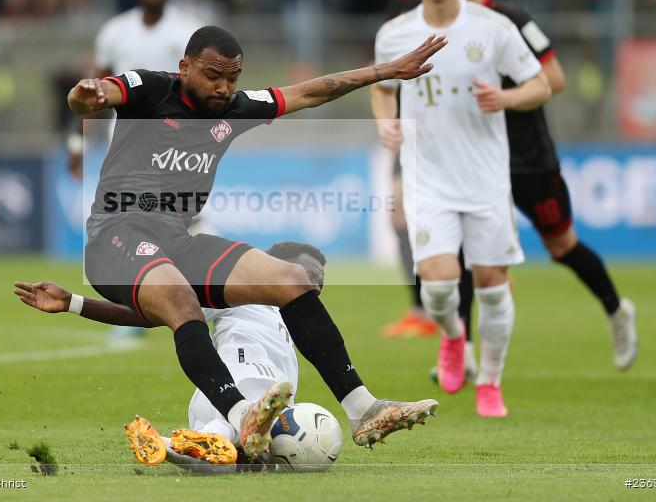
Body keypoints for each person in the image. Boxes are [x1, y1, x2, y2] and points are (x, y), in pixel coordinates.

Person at [64, 24, 446, 458]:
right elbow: (97, 94)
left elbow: (309, 93)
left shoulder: (235, 107)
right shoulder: (151, 88)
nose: (224, 87)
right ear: (184, 66)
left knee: (292, 278)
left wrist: (386, 71)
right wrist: (85, 95)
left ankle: (363, 409)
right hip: (117, 235)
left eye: (232, 78)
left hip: (175, 238)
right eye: (213, 75)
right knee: (182, 302)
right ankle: (241, 413)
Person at [373, 0, 552, 418]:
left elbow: (541, 84)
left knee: (493, 285)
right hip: (427, 178)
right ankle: (453, 338)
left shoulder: (493, 28)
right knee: (437, 287)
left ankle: (490, 382)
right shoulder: (395, 33)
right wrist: (385, 122)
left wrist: (506, 98)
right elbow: (382, 87)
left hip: (486, 180)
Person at [453, 0, 637, 371]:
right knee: (462, 248)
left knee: (561, 246)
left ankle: (617, 310)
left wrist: (506, 98)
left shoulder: (513, 20)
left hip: (529, 159)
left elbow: (555, 78)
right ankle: (459, 350)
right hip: (477, 161)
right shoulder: (436, 28)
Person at [14, 241, 335, 471]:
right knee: (246, 418)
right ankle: (228, 434)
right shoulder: (242, 294)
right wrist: (73, 302)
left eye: (319, 282)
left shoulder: (295, 328)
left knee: (232, 463)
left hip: (213, 406)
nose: (315, 286)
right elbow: (149, 313)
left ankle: (174, 443)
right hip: (236, 384)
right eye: (309, 276)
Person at [67, 0, 202, 179]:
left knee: (183, 212)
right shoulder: (114, 32)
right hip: (127, 143)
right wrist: (77, 144)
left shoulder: (190, 31)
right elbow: (98, 95)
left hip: (178, 144)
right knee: (133, 211)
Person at [373, 0, 441, 340]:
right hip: (408, 129)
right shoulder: (392, 7)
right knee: (401, 214)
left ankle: (441, 304)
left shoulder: (433, 5)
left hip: (442, 127)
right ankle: (422, 308)